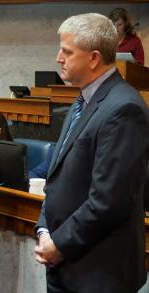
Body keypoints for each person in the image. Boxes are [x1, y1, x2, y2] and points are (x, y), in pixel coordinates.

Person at [34, 13, 149, 292]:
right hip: (67, 264)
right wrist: (44, 229)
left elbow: (108, 201)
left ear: (94, 58)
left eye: (67, 51)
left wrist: (59, 245)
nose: (58, 58)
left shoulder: (124, 108)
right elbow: (57, 176)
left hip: (99, 272)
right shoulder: (83, 99)